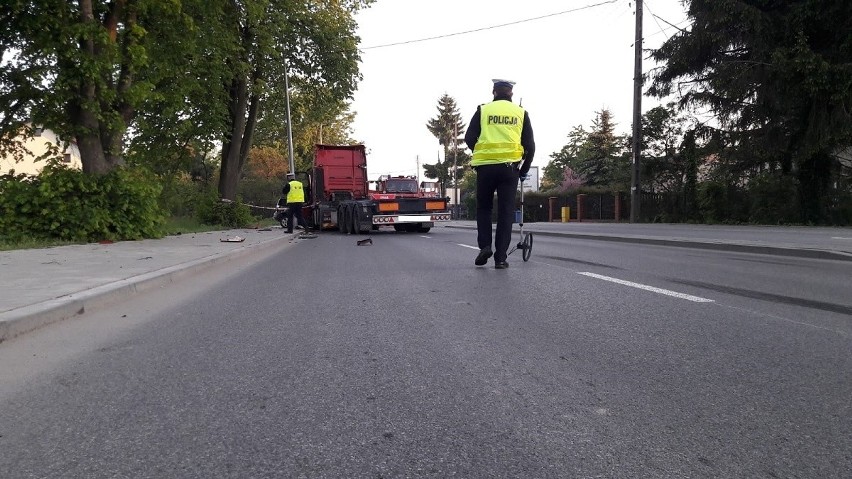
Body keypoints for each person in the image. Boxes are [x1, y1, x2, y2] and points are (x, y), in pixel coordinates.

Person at [464, 79, 535, 269]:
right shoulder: (521, 113)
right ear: (511, 94)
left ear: (494, 92)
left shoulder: (483, 110)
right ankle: (501, 258)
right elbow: (530, 146)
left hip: (486, 168)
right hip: (509, 169)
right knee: (505, 213)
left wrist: (481, 152)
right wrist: (524, 170)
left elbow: (469, 138)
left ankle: (485, 246)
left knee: (484, 208)